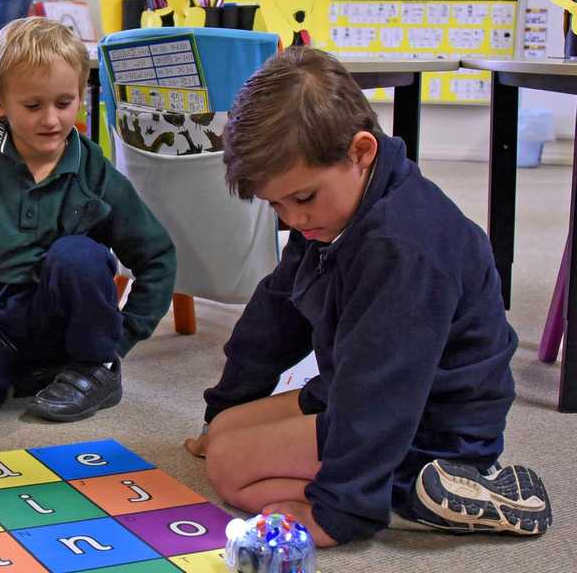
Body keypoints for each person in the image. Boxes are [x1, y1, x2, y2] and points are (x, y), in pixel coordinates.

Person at [185, 47, 550, 546]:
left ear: (361, 152)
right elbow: (276, 314)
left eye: (303, 198)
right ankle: (381, 486)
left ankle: (419, 493)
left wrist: (340, 512)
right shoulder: (328, 219)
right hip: (355, 391)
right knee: (226, 431)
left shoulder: (402, 247)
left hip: (431, 425)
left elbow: (382, 389)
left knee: (231, 469)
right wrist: (224, 406)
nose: (293, 219)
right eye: (277, 206)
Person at [0, 17, 175, 427]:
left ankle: (90, 369)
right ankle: (21, 375)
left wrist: (118, 341)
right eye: (33, 106)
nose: (51, 120)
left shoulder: (94, 172)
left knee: (77, 256)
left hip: (57, 319)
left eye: (64, 104)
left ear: (80, 98)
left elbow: (157, 256)